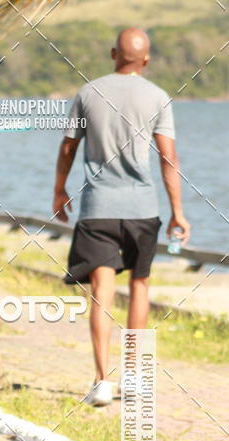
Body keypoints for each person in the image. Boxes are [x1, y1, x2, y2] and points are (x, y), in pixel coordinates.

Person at [53, 27, 191, 406]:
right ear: (145, 59)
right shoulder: (159, 97)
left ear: (114, 53)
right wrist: (178, 212)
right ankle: (133, 380)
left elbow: (67, 148)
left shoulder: (88, 93)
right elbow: (169, 159)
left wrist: (59, 190)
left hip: (97, 209)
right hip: (142, 210)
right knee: (140, 289)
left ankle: (101, 382)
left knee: (102, 293)